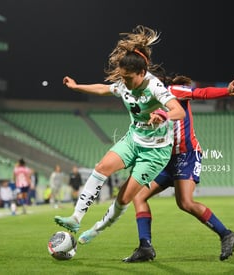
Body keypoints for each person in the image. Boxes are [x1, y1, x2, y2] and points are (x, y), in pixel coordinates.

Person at [54, 25, 186, 242]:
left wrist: (162, 114)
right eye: (122, 78)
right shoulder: (125, 84)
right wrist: (77, 87)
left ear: (142, 73)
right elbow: (102, 88)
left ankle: (97, 229)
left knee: (124, 197)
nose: (124, 82)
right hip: (134, 139)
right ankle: (76, 218)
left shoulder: (155, 86)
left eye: (128, 78)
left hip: (156, 151)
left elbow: (178, 110)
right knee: (102, 167)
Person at [119, 75, 234, 262]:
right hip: (165, 158)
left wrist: (226, 91)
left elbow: (200, 93)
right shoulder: (146, 102)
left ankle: (226, 234)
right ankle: (145, 246)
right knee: (139, 196)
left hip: (186, 154)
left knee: (185, 202)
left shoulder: (173, 91)